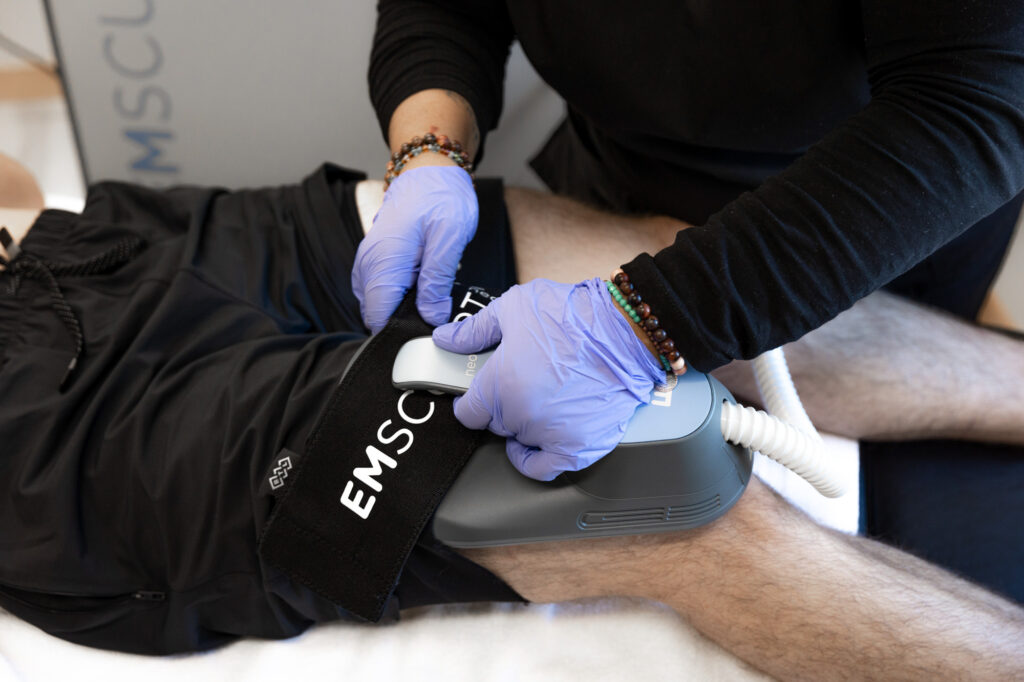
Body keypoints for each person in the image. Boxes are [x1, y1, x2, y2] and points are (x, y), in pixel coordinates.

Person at [1, 154, 1023, 678]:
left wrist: (427, 155)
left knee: (658, 262)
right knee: (653, 491)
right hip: (42, 427)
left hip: (79, 254)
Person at [362, 0, 1024, 481]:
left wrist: (638, 331)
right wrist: (428, 152)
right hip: (616, 186)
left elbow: (969, 104)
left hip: (857, 230)